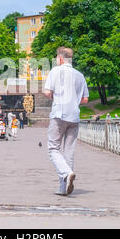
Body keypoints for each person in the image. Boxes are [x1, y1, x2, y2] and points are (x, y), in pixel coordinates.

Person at [44, 47, 89, 196]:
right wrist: (73, 101)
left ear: (61, 58)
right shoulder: (80, 75)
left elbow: (47, 92)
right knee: (69, 151)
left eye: (57, 57)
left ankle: (67, 174)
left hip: (59, 115)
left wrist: (56, 98)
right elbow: (85, 99)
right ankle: (63, 188)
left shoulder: (55, 72)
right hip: (74, 117)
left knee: (53, 149)